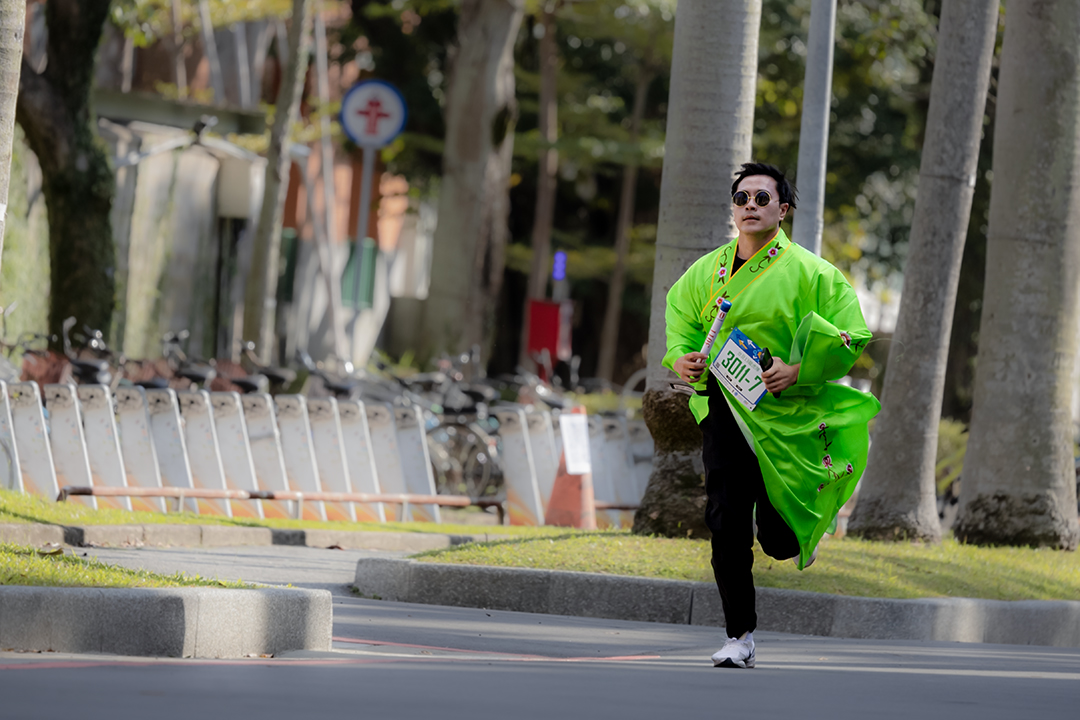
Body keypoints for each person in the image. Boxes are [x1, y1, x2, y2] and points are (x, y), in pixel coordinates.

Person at [663, 162, 880, 668]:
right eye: (742, 199)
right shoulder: (706, 271)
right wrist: (681, 358)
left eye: (761, 199)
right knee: (726, 522)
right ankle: (738, 635)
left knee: (778, 540)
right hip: (723, 412)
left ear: (782, 210)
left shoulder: (813, 273)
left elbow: (851, 336)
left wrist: (798, 370)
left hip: (785, 418)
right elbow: (681, 322)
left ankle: (798, 530)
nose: (750, 207)